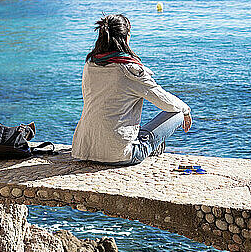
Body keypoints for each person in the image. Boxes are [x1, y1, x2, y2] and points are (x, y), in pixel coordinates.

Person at [72, 14, 192, 165]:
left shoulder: (90, 65)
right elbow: (165, 102)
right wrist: (186, 111)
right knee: (178, 112)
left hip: (84, 149)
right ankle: (151, 148)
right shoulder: (130, 71)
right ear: (127, 36)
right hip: (118, 155)